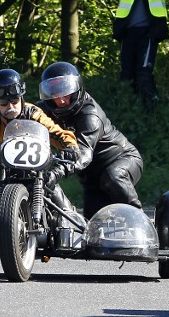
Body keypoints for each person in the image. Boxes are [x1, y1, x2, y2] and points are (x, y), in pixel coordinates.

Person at [0, 69, 80, 255]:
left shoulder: (34, 113)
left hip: (35, 172)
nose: (10, 107)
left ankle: (72, 228)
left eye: (14, 101)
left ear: (21, 98)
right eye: (4, 103)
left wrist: (70, 146)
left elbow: (56, 132)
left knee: (63, 207)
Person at [37, 61, 144, 218]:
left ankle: (138, 216)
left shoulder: (90, 115)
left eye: (65, 91)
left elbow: (83, 154)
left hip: (123, 159)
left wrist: (57, 172)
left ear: (77, 88)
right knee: (91, 227)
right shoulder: (45, 110)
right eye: (54, 92)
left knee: (112, 177)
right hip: (92, 180)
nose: (60, 100)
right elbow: (23, 114)